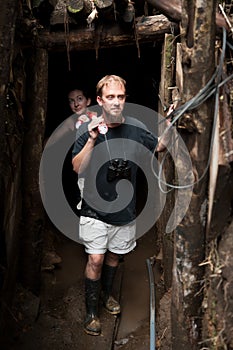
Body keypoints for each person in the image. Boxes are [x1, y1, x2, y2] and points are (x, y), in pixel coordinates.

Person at [72, 75, 169, 336]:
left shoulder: (136, 127)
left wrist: (171, 125)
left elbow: (159, 147)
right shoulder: (88, 128)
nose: (116, 101)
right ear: (100, 100)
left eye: (120, 96)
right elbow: (77, 167)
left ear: (125, 99)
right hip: (93, 208)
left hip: (124, 210)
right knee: (96, 258)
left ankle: (106, 295)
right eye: (110, 97)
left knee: (115, 256)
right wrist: (92, 139)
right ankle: (92, 312)